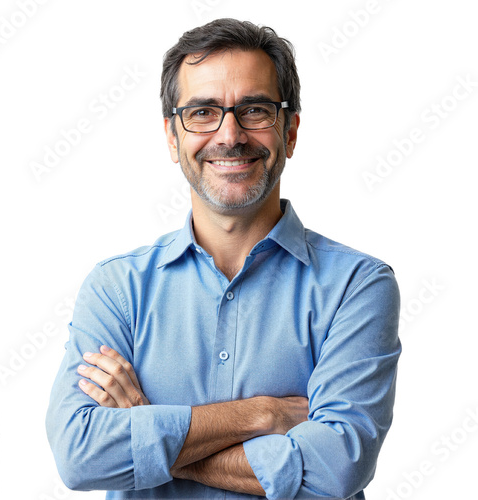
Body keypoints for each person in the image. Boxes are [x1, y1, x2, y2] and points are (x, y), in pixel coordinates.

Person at [46, 18, 401, 500]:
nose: (229, 134)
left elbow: (334, 469)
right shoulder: (116, 289)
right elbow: (80, 456)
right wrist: (259, 415)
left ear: (290, 131)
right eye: (202, 111)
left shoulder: (358, 286)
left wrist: (147, 430)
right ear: (173, 137)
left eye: (254, 109)